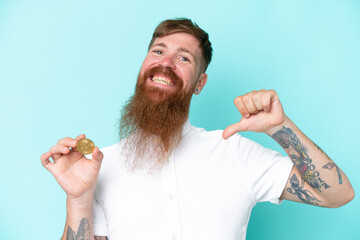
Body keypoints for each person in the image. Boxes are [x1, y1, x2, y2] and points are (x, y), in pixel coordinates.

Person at [41, 18, 354, 240]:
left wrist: (281, 128)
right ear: (143, 67)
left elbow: (338, 193)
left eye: (184, 57)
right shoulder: (99, 167)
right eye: (158, 51)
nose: (166, 63)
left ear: (200, 84)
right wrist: (79, 198)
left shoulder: (234, 152)